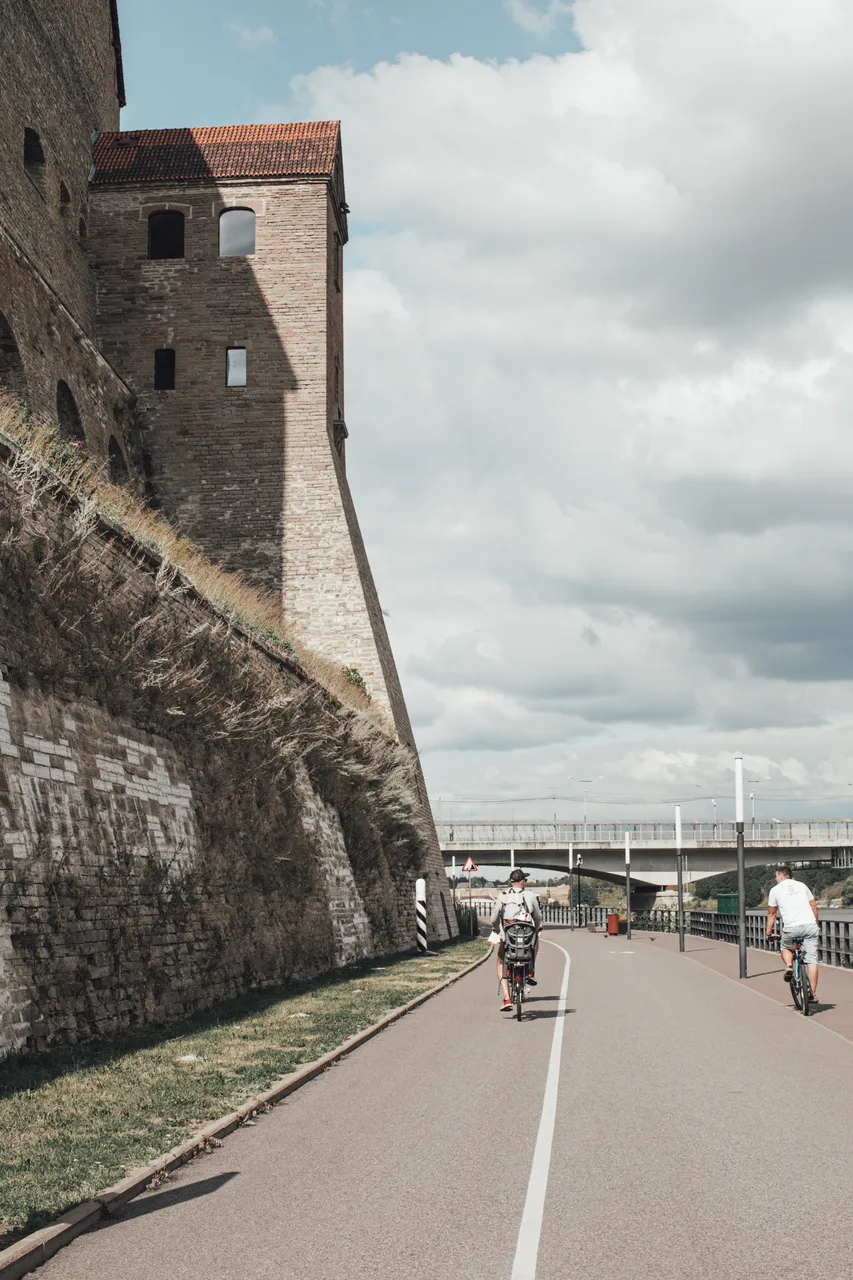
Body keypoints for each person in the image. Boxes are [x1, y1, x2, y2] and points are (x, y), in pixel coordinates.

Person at [490, 869, 542, 1012]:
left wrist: (499, 931)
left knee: (501, 962)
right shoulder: (530, 896)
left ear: (511, 882)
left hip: (509, 937)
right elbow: (537, 917)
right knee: (534, 944)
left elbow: (493, 919)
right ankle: (530, 971)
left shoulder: (503, 896)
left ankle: (507, 997)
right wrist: (536, 930)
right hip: (526, 937)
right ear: (523, 882)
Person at [766, 864, 819, 1001]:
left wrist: (769, 932)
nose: (775, 878)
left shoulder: (775, 890)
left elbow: (772, 913)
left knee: (785, 947)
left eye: (776, 876)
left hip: (791, 927)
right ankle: (811, 994)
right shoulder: (802, 885)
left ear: (780, 875)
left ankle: (789, 966)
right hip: (810, 925)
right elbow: (813, 906)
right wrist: (816, 924)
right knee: (812, 961)